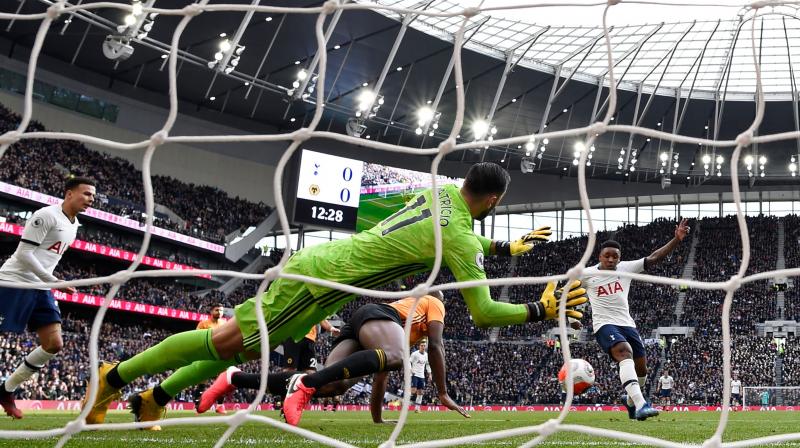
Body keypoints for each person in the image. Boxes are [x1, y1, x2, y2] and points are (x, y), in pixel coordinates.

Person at [82, 162, 588, 428]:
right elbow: (482, 312)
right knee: (226, 342)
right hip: (318, 282)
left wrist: (501, 246)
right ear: (494, 199)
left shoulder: (440, 195)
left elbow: (449, 233)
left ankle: (155, 397)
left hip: (326, 273)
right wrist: (539, 309)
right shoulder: (457, 234)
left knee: (241, 347)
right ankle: (116, 377)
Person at [200, 292, 470, 426]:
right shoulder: (433, 301)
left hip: (363, 325)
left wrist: (377, 419)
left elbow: (381, 375)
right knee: (398, 357)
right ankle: (306, 384)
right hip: (376, 315)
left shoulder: (404, 335)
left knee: (334, 385)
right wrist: (443, 392)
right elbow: (436, 344)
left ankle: (235, 377)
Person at [0, 176, 96, 419]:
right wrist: (53, 281)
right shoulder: (46, 215)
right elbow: (23, 253)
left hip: (40, 286)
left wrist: (49, 281)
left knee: (54, 344)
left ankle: (5, 391)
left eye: (93, 196)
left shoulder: (74, 224)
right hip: (14, 282)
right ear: (69, 193)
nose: (90, 200)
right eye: (86, 194)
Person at [582, 218, 689, 421]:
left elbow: (654, 257)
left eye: (615, 257)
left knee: (642, 370)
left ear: (619, 258)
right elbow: (567, 293)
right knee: (624, 352)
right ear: (600, 256)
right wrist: (572, 317)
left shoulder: (626, 268)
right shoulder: (586, 274)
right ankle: (641, 405)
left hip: (628, 324)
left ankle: (630, 401)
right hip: (604, 324)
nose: (611, 260)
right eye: (607, 256)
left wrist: (676, 239)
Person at [196, 304, 227, 414]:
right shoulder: (203, 324)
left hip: (221, 355)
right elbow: (197, 338)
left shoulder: (224, 323)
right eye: (217, 310)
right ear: (211, 311)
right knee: (202, 381)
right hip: (207, 355)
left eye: (221, 310)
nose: (219, 312)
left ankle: (220, 406)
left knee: (222, 381)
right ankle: (198, 406)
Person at [409, 341, 430, 413]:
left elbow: (427, 364)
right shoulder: (415, 354)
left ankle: (417, 408)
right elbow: (409, 362)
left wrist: (430, 373)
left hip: (422, 376)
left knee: (420, 392)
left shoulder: (426, 355)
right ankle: (404, 404)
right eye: (422, 345)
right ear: (419, 346)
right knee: (413, 391)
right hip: (414, 374)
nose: (423, 347)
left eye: (424, 346)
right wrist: (410, 370)